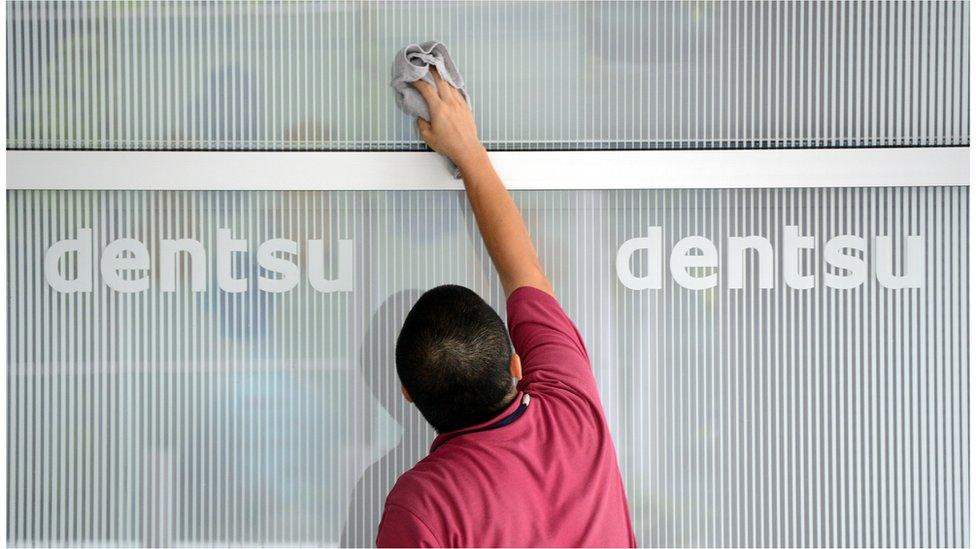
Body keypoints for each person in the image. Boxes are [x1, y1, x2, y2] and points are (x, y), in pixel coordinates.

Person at [376, 69, 636, 548]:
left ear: (407, 394)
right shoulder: (572, 412)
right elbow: (526, 272)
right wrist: (469, 151)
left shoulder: (424, 506)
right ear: (517, 364)